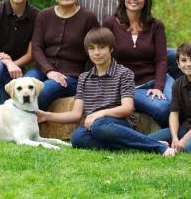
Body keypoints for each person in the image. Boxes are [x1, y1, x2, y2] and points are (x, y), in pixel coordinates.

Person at [37, 27, 176, 156]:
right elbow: (76, 114)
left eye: (101, 47)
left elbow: (127, 108)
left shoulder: (124, 73)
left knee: (100, 125)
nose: (96, 53)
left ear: (111, 49)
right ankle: (141, 145)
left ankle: (158, 147)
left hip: (117, 123)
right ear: (87, 51)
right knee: (77, 138)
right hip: (95, 126)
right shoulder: (84, 78)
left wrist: (98, 114)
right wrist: (47, 116)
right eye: (92, 49)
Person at [104, 0, 174, 128]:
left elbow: (161, 59)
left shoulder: (156, 26)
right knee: (162, 108)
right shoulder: (110, 24)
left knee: (178, 103)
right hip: (131, 87)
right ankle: (174, 137)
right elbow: (103, 59)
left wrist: (158, 86)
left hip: (156, 79)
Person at [25, 0, 99, 111]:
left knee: (45, 90)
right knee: (24, 84)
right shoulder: (44, 15)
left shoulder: (88, 17)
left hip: (72, 77)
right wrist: (49, 71)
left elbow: (97, 48)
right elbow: (36, 47)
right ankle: (12, 125)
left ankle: (25, 127)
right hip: (43, 70)